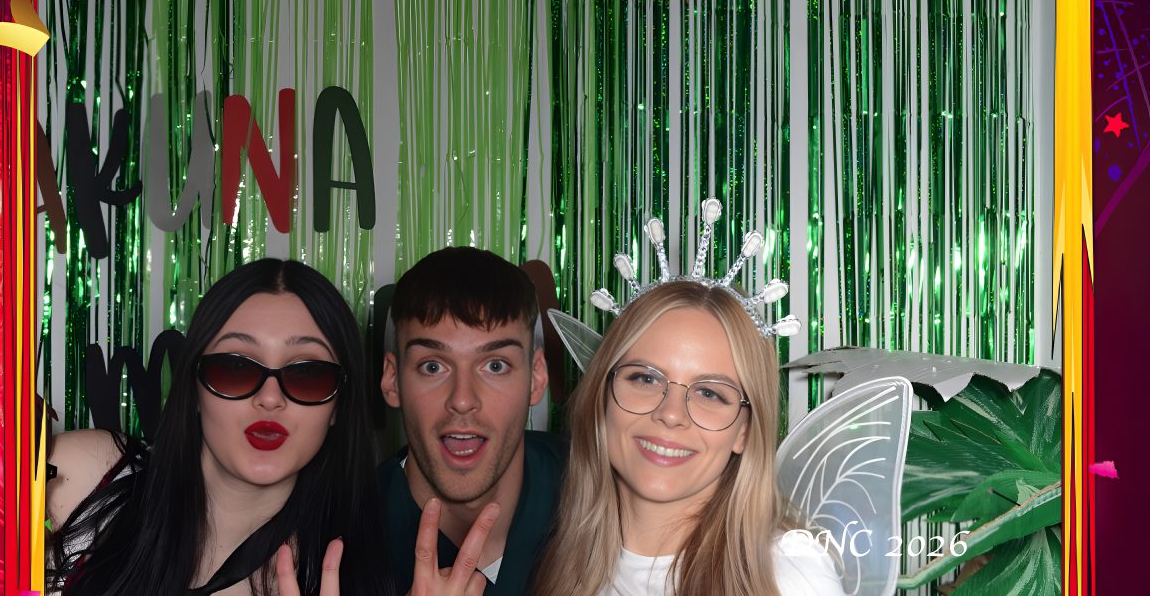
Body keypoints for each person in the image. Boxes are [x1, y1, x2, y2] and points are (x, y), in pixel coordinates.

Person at [45, 258, 394, 596]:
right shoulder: (88, 475)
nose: (270, 398)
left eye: (307, 374)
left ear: (338, 406)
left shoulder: (351, 578)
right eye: (236, 368)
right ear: (194, 388)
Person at [530, 279, 845, 596]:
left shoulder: (789, 575)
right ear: (602, 396)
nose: (671, 414)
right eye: (646, 378)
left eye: (710, 393)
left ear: (744, 432)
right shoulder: (549, 558)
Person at [379, 246, 563, 595]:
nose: (462, 400)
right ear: (392, 380)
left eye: (495, 365)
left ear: (537, 378)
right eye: (433, 366)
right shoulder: (332, 542)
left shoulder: (600, 491)